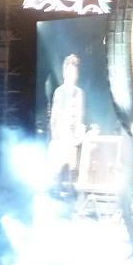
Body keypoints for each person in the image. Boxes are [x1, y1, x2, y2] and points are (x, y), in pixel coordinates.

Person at [49, 54, 86, 188]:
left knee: (72, 171)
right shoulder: (59, 92)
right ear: (65, 73)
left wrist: (78, 133)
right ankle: (56, 193)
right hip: (60, 136)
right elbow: (54, 116)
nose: (72, 74)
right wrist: (56, 135)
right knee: (57, 171)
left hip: (72, 137)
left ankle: (71, 193)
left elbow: (80, 115)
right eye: (70, 71)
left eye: (74, 71)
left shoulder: (79, 93)